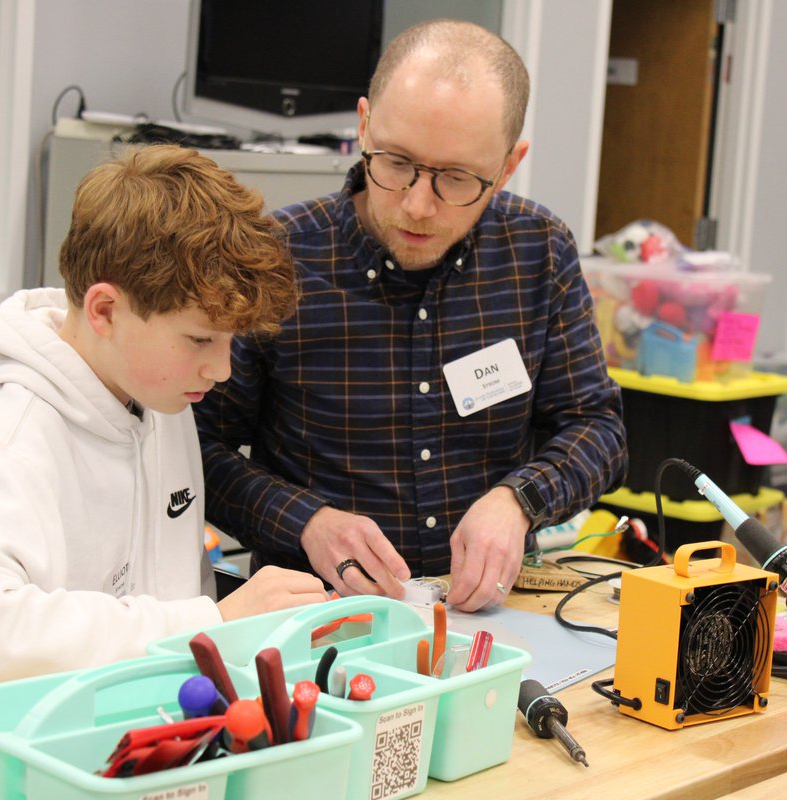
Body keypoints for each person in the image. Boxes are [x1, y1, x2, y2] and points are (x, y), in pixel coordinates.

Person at [194, 19, 627, 613]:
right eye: (396, 163)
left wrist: (518, 502)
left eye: (456, 178)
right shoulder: (278, 257)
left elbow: (597, 426)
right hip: (318, 617)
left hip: (490, 616)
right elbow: (198, 449)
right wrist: (308, 522)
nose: (418, 205)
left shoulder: (538, 249)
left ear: (508, 166)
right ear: (364, 124)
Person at [0, 145, 327, 688]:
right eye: (199, 340)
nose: (221, 370)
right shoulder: (9, 434)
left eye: (229, 342)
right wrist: (207, 624)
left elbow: (163, 601)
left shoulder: (157, 397)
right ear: (104, 310)